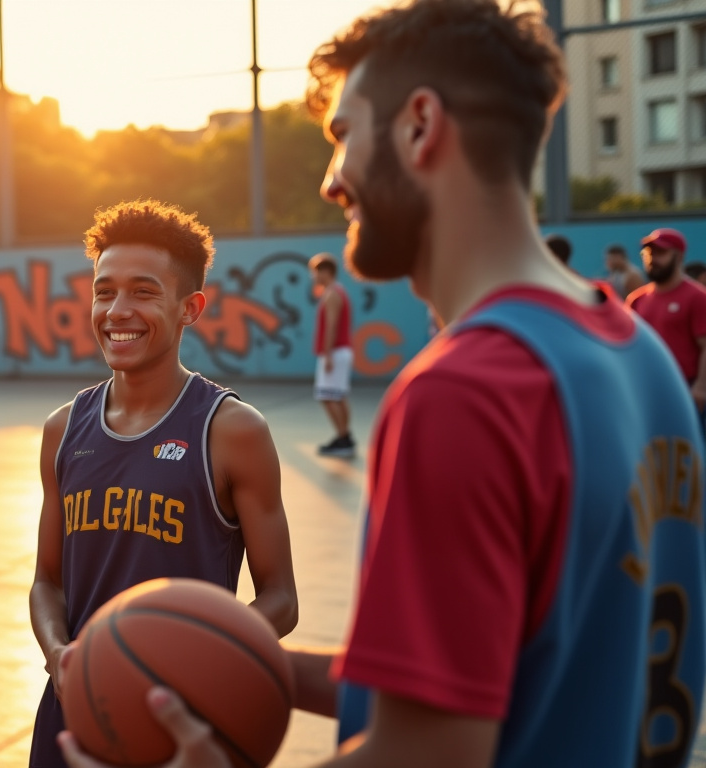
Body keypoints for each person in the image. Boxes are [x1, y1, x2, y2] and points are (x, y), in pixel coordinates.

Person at [60, 2, 706, 766]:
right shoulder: (641, 356)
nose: (335, 181)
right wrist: (206, 658)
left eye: (342, 136)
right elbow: (503, 682)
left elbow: (431, 752)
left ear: (419, 125)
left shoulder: (466, 391)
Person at [31, 199, 299, 768]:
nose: (117, 310)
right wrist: (61, 656)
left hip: (183, 721)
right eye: (104, 292)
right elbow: (47, 583)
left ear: (190, 308)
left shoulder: (230, 430)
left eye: (144, 292)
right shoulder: (63, 429)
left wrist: (188, 659)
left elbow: (281, 598)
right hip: (71, 714)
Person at [628, 228, 706, 415]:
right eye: (649, 253)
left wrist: (701, 387)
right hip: (648, 389)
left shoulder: (697, 297)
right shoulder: (637, 299)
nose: (652, 258)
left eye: (661, 253)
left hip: (686, 389)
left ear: (679, 256)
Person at [309, 253, 355, 457]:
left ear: (325, 271)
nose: (314, 276)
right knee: (338, 396)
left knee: (328, 397)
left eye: (316, 272)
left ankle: (343, 438)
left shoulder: (332, 294)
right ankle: (344, 437)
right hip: (339, 352)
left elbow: (331, 327)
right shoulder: (335, 291)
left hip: (334, 353)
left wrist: (327, 354)